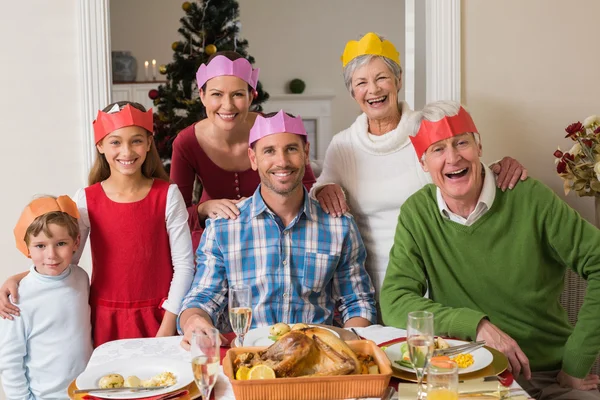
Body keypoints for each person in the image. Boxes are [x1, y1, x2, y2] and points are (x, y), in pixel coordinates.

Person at [380, 100, 600, 400]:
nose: (453, 158)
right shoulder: (417, 213)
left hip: (546, 375)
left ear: (479, 146)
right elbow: (395, 301)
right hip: (464, 378)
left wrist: (575, 363)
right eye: (438, 149)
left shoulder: (530, 197)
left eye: (462, 143)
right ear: (423, 163)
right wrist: (477, 324)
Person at [311, 32, 527, 298]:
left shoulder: (428, 128)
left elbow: (463, 169)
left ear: (398, 81)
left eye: (381, 78)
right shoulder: (343, 146)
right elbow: (320, 190)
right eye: (361, 83)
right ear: (353, 92)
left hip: (441, 279)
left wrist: (500, 167)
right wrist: (324, 189)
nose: (374, 89)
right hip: (375, 284)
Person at [0, 102, 195, 347]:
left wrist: (167, 327)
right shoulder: (85, 199)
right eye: (115, 142)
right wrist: (21, 278)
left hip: (161, 316)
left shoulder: (167, 195)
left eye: (136, 141)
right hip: (105, 320)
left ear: (148, 143)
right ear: (100, 145)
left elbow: (185, 266)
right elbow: (66, 260)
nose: (126, 151)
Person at [178, 110, 376, 348]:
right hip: (247, 359)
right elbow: (202, 297)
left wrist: (347, 347)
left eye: (291, 149)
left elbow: (357, 302)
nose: (282, 161)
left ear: (305, 153)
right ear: (253, 158)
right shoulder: (223, 228)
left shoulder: (339, 225)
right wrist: (194, 321)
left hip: (317, 357)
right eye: (269, 151)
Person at [170, 51, 316, 250]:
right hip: (215, 236)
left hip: (275, 232)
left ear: (251, 96)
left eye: (238, 94)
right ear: (202, 96)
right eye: (216, 94)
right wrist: (204, 209)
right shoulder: (186, 142)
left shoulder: (272, 128)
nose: (227, 105)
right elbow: (175, 214)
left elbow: (307, 186)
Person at [0, 196, 92, 399]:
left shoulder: (80, 278)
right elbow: (9, 360)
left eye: (60, 243)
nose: (51, 254)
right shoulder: (17, 297)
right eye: (40, 246)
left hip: (85, 390)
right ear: (27, 247)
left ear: (76, 242)